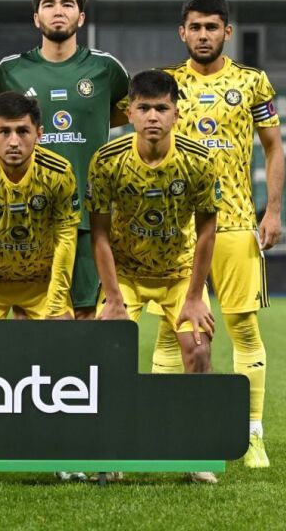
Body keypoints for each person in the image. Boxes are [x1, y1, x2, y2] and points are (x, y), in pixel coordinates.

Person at [154, 0, 285, 469]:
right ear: (182, 32)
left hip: (234, 223)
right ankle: (164, 431)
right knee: (171, 330)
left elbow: (273, 147)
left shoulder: (252, 82)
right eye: (195, 27)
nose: (203, 35)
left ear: (227, 31)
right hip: (175, 229)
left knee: (243, 327)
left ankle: (252, 435)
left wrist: (272, 211)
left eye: (212, 27)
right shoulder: (165, 84)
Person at [0, 0, 129, 324]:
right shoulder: (11, 70)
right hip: (23, 219)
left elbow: (131, 113)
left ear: (81, 16)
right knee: (27, 315)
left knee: (81, 316)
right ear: (36, 18)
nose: (58, 11)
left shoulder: (105, 68)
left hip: (84, 217)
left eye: (67, 4)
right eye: (49, 4)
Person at [87, 70, 221, 483]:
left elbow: (207, 229)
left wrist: (195, 297)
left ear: (176, 114)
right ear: (129, 113)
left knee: (198, 349)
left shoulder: (199, 160)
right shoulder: (107, 161)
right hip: (125, 274)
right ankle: (111, 450)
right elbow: (99, 233)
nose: (152, 117)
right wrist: (112, 297)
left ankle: (196, 452)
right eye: (143, 108)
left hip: (178, 273)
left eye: (161, 108)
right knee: (107, 351)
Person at [0, 91, 79, 320]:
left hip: (42, 286)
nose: (13, 142)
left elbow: (66, 239)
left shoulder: (59, 173)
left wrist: (56, 302)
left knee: (61, 335)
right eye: (4, 132)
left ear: (39, 134)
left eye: (22, 131)